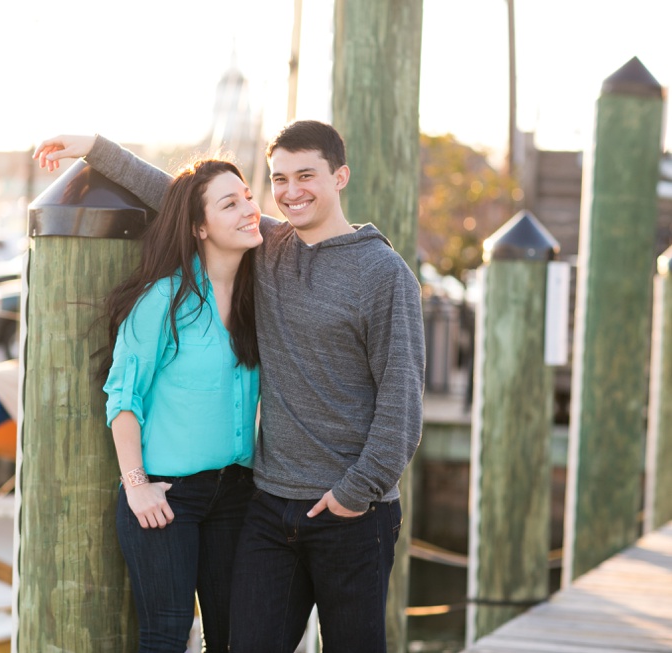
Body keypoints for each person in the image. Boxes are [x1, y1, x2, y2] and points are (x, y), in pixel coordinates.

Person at [34, 120, 425, 653]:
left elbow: (402, 404)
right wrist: (96, 149)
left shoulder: (383, 273)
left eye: (306, 175)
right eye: (279, 179)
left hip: (349, 513)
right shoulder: (269, 247)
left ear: (341, 176)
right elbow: (181, 198)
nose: (290, 192)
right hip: (267, 506)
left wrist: (354, 495)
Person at [96, 157, 262, 652]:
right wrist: (137, 487)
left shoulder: (258, 295)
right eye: (229, 203)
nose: (249, 209)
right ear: (199, 227)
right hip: (167, 500)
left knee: (232, 637)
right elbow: (122, 397)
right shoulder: (163, 301)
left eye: (249, 196)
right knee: (167, 637)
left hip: (236, 491)